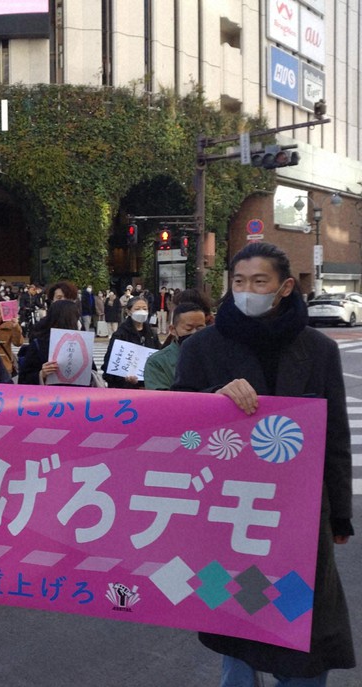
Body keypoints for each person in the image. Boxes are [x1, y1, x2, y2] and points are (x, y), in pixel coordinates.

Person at [173, 242, 355, 686]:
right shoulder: (203, 348)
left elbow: (334, 439)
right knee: (238, 626)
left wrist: (341, 515)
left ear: (285, 287)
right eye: (239, 282)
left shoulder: (318, 350)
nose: (247, 291)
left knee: (306, 628)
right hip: (230, 514)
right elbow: (177, 427)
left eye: (260, 282)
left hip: (301, 512)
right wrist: (211, 404)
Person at [19, 299, 93, 385]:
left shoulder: (82, 341)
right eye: (76, 317)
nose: (78, 322)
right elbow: (23, 379)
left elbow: (93, 373)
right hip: (49, 396)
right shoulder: (39, 343)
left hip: (76, 395)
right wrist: (42, 374)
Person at [143, 303, 207, 391]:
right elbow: (160, 398)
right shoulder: (157, 362)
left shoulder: (216, 355)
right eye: (189, 329)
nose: (195, 333)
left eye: (200, 329)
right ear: (173, 330)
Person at [101, 295, 161, 389]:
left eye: (145, 309)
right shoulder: (120, 334)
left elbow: (158, 356)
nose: (142, 311)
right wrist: (123, 378)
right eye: (137, 308)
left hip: (148, 386)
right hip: (126, 388)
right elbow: (109, 364)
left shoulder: (151, 333)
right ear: (128, 311)